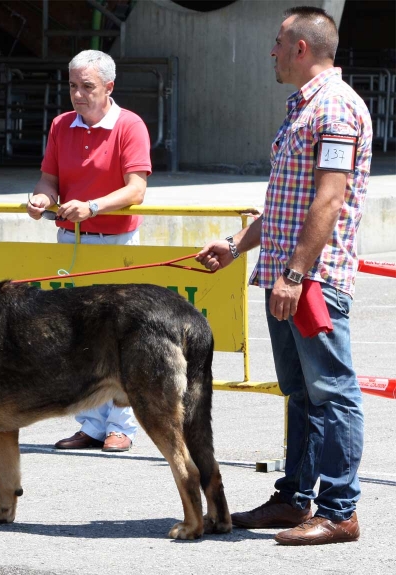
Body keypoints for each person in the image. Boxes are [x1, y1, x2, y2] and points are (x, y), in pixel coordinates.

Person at [196, 7, 372, 546]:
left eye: (277, 42)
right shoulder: (304, 108)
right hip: (287, 276)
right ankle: (295, 499)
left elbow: (328, 198)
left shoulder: (336, 106)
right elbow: (287, 204)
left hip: (311, 282)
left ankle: (339, 510)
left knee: (333, 394)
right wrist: (235, 246)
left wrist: (296, 273)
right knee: (301, 394)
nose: (270, 51)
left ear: (301, 48)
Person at [26, 49, 151, 453]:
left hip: (116, 242)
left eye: (87, 87)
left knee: (120, 336)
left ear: (109, 88)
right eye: (72, 86)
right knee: (76, 334)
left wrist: (93, 206)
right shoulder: (61, 124)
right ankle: (91, 424)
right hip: (72, 241)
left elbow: (137, 188)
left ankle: (122, 426)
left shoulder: (130, 125)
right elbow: (49, 180)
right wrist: (41, 199)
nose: (78, 94)